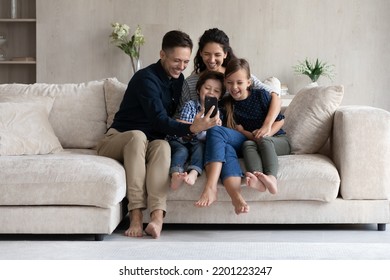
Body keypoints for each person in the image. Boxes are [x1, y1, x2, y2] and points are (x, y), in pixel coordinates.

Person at [96, 30, 220, 239]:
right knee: (137, 136)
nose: (181, 67)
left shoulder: (179, 80)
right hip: (118, 139)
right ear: (162, 54)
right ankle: (135, 215)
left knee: (162, 146)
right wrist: (192, 128)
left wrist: (198, 125)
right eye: (177, 60)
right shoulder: (146, 78)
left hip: (149, 142)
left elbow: (171, 120)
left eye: (186, 62)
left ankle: (157, 217)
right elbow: (158, 120)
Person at [195, 58, 289, 215]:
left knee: (258, 142)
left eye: (239, 82)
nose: (234, 87)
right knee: (221, 137)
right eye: (230, 82)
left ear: (249, 82)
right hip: (248, 141)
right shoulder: (226, 104)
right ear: (225, 82)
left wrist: (266, 133)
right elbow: (230, 133)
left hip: (275, 140)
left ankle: (270, 178)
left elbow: (280, 121)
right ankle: (242, 190)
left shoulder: (261, 96)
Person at [175, 28, 280, 118]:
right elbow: (179, 116)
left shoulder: (238, 76)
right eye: (207, 54)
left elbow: (274, 96)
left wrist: (267, 126)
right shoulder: (190, 83)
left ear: (225, 54)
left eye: (217, 54)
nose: (212, 60)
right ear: (201, 53)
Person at [168, 71, 225, 190]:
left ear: (220, 97)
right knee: (181, 151)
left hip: (198, 143)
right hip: (181, 140)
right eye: (207, 88)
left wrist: (216, 127)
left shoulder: (219, 114)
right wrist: (200, 125)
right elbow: (184, 129)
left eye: (216, 91)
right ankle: (175, 175)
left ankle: (193, 173)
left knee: (200, 149)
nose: (211, 92)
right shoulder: (190, 105)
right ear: (199, 90)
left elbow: (215, 139)